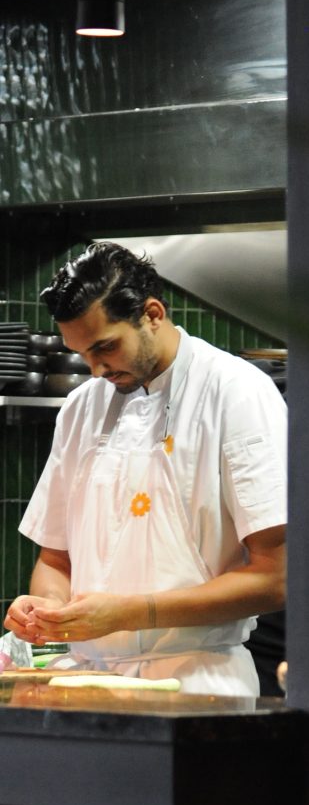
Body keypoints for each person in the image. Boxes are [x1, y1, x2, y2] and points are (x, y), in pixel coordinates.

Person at [3, 242, 287, 697]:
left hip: (198, 683)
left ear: (152, 313)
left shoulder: (238, 393)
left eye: (105, 347)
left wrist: (131, 613)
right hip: (83, 680)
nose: (95, 370)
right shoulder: (80, 408)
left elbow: (276, 577)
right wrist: (50, 609)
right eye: (81, 354)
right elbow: (56, 559)